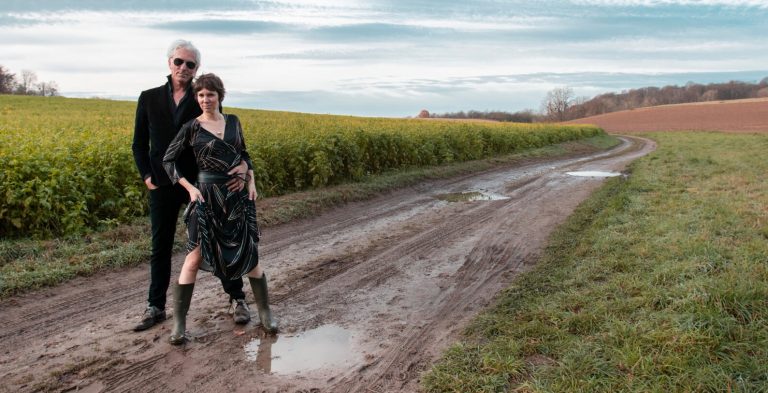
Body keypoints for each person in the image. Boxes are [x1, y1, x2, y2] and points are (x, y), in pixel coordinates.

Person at [132, 40, 252, 332]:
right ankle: (155, 306)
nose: (183, 68)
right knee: (160, 245)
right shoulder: (148, 98)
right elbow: (139, 144)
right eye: (179, 62)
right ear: (169, 63)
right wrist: (148, 176)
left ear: (196, 68)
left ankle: (236, 298)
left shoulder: (203, 97)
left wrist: (245, 169)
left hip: (199, 184)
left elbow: (226, 140)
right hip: (163, 184)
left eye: (190, 64)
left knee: (216, 240)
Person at [163, 73, 278, 345]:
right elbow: (168, 160)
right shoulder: (191, 127)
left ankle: (265, 313)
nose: (205, 100)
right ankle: (179, 325)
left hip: (237, 198)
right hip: (205, 198)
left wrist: (250, 178)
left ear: (220, 96)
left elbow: (245, 156)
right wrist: (190, 188)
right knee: (192, 259)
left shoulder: (234, 122)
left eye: (210, 95)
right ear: (197, 98)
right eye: (201, 95)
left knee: (250, 257)